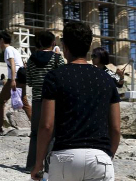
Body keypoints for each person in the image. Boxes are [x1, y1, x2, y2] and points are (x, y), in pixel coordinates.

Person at [30, 22, 121, 181]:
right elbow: (115, 129)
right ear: (89, 46)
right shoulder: (107, 80)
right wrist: (107, 157)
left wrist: (38, 163)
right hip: (100, 158)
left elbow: (46, 126)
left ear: (64, 46)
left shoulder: (55, 77)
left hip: (65, 157)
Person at [25, 31, 66, 172]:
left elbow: (29, 82)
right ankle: (49, 166)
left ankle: (31, 165)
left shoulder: (31, 60)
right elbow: (63, 80)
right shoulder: (57, 59)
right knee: (52, 133)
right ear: (53, 43)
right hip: (53, 102)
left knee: (35, 133)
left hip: (37, 100)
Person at [0, 31, 31, 133]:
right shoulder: (13, 49)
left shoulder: (8, 50)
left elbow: (12, 64)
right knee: (25, 104)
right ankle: (37, 127)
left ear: (2, 40)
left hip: (15, 79)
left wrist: (12, 80)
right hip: (21, 78)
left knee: (0, 100)